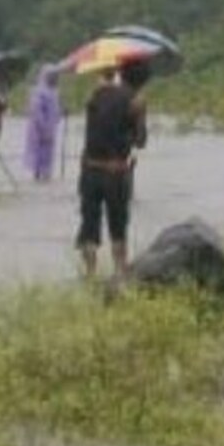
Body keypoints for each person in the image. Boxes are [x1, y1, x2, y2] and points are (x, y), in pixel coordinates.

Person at [76, 59, 150, 281]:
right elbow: (141, 141)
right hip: (116, 173)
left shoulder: (95, 96)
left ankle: (89, 274)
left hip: (90, 170)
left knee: (89, 223)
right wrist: (141, 115)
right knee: (118, 225)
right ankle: (119, 272)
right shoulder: (134, 101)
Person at [23, 65, 63, 183]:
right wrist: (43, 128)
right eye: (52, 76)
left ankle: (46, 177)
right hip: (38, 130)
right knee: (38, 157)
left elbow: (55, 110)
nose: (55, 78)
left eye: (56, 76)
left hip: (50, 130)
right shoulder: (39, 91)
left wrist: (62, 112)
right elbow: (36, 112)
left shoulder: (54, 91)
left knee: (48, 157)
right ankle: (37, 177)